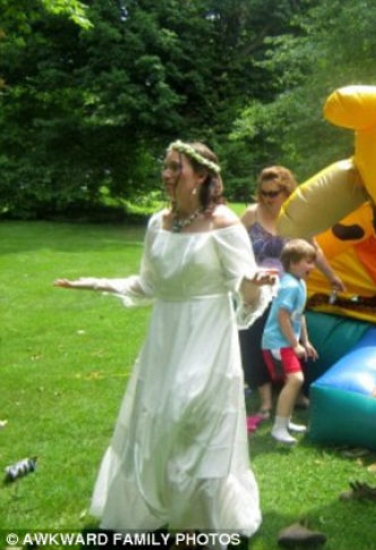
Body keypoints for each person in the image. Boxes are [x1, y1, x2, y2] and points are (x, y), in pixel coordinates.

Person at [54, 141, 274, 542]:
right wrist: (94, 283)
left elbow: (247, 297)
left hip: (208, 337)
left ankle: (199, 520)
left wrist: (251, 284)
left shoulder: (225, 225)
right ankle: (155, 508)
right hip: (165, 338)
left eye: (177, 168)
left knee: (190, 419)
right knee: (158, 422)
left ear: (203, 175)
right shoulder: (158, 223)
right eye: (166, 167)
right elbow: (148, 284)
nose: (167, 175)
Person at [239, 166, 344, 425]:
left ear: (287, 192)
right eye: (263, 193)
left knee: (292, 337)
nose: (267, 198)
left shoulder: (297, 218)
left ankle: (294, 391)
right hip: (256, 287)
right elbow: (233, 245)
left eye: (273, 193)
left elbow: (314, 249)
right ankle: (264, 400)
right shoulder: (252, 215)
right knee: (252, 338)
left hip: (286, 288)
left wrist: (332, 276)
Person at [262, 238, 319, 445]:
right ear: (293, 263)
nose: (312, 266)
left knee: (292, 380)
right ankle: (278, 428)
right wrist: (294, 344)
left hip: (287, 341)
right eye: (308, 262)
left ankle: (285, 422)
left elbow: (299, 314)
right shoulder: (289, 286)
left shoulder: (300, 283)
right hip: (278, 342)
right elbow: (282, 316)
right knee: (295, 379)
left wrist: (306, 341)